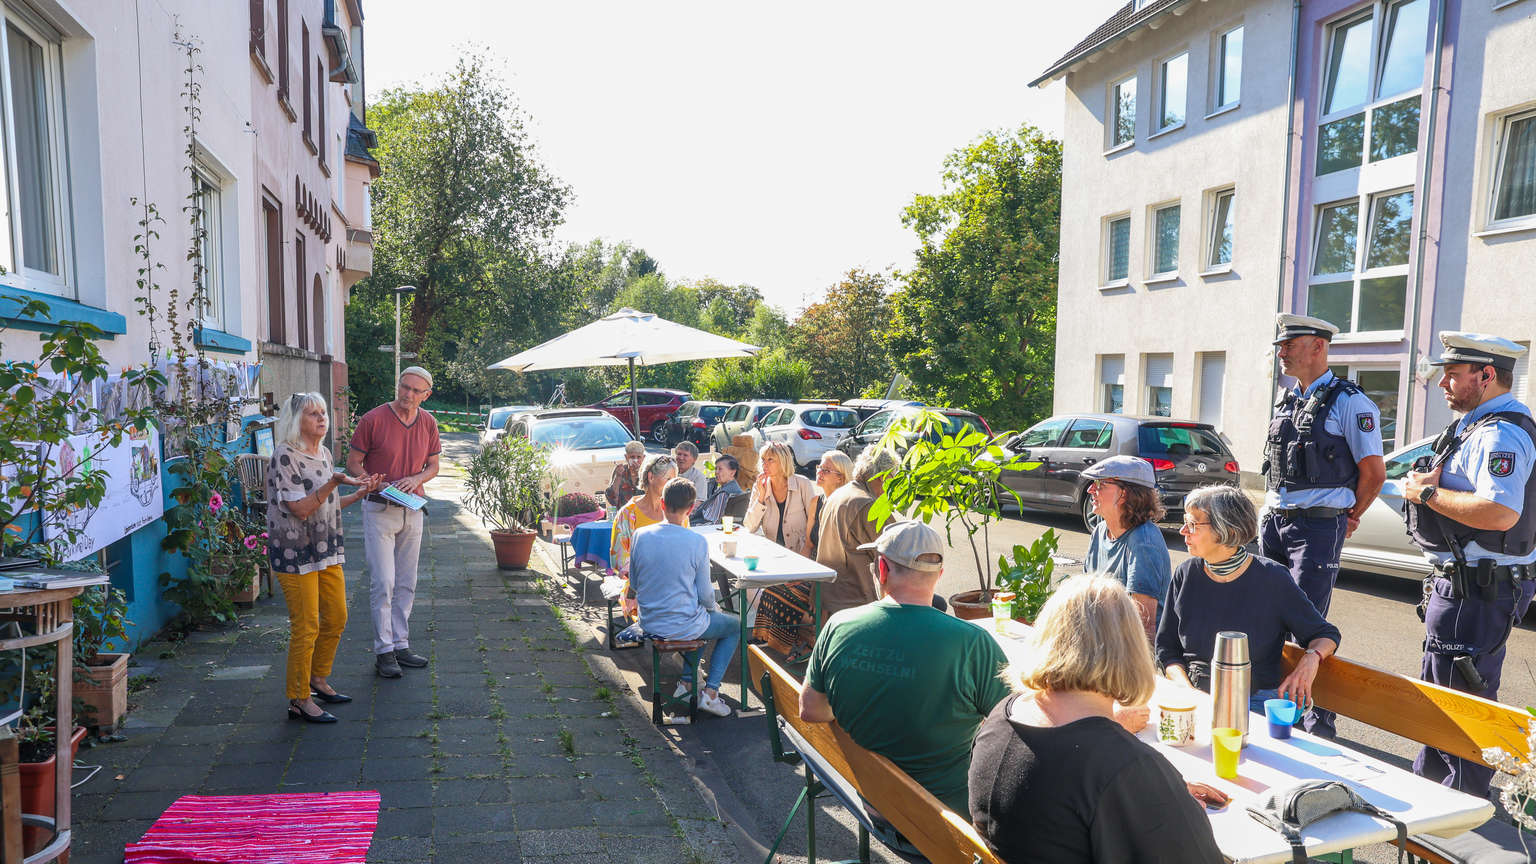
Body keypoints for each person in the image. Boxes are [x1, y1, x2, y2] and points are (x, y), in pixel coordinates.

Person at [969, 575, 1227, 863]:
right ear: (1129, 651)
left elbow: (1066, 786)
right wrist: (1171, 802)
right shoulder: (1120, 766)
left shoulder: (1002, 717)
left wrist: (1159, 792)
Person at [799, 521, 1009, 823]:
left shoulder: (838, 626)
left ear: (881, 570)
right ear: (939, 576)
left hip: (872, 800)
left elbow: (812, 710)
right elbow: (1014, 730)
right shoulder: (972, 642)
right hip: (948, 820)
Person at [1401, 332, 1536, 796]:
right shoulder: (1476, 426)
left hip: (1476, 589)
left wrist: (1428, 494)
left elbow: (1500, 512)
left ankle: (1464, 809)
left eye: (1454, 374)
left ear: (1487, 376)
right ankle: (1434, 794)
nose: (1443, 383)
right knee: (1443, 694)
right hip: (1463, 586)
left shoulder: (1502, 433)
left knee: (1464, 701)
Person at [1262, 313, 1385, 736]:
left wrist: (1351, 517)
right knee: (1269, 617)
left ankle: (1319, 721)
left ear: (1317, 346)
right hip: (1276, 522)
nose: (1282, 352)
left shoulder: (1350, 402)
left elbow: (1373, 472)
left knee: (1309, 627)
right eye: (1281, 345)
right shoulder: (1286, 399)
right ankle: (1275, 704)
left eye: (1289, 345)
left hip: (1316, 527)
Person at [1157, 485, 1341, 714]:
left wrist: (1311, 659)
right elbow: (1167, 649)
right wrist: (1188, 693)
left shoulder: (1272, 578)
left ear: (1228, 532)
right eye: (1185, 521)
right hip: (1193, 695)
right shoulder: (1186, 573)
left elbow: (1325, 634)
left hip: (1253, 703)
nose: (1183, 530)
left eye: (1193, 524)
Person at [268, 393, 381, 722]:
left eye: (323, 413)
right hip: (295, 552)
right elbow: (301, 509)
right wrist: (333, 482)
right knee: (306, 626)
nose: (322, 419)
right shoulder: (285, 456)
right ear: (296, 421)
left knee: (336, 617)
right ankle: (298, 697)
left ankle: (317, 679)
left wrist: (357, 494)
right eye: (313, 414)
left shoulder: (326, 454)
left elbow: (325, 504)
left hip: (326, 548)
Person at [347, 366, 441, 680]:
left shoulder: (428, 422)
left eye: (416, 391)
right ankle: (383, 650)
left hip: (413, 509)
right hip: (378, 507)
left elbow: (433, 465)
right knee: (383, 582)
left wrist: (416, 478)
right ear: (397, 385)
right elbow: (353, 461)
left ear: (426, 395)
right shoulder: (372, 420)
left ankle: (401, 643)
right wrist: (366, 480)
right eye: (405, 387)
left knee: (407, 581)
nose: (408, 395)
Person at [629, 478, 740, 718]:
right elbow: (706, 594)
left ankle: (688, 684)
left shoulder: (640, 535)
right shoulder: (696, 541)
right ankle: (710, 693)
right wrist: (713, 610)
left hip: (649, 621)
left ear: (662, 503)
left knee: (698, 618)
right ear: (691, 509)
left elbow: (635, 584)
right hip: (683, 623)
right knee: (733, 627)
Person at [1081, 455, 1171, 641]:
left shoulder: (1144, 540)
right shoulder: (1100, 531)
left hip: (1126, 652)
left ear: (1124, 494)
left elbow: (1144, 625)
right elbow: (1085, 597)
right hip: (1102, 640)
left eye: (1100, 484)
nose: (1090, 489)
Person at [815, 447, 897, 623]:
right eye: (892, 478)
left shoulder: (837, 495)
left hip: (829, 597)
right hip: (858, 601)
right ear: (883, 477)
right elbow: (897, 552)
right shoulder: (867, 504)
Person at [613, 454, 679, 623]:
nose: (673, 484)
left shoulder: (677, 511)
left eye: (675, 479)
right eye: (668, 479)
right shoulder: (628, 514)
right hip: (641, 587)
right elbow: (620, 561)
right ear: (650, 477)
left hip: (676, 585)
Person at [745, 441, 819, 558]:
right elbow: (750, 526)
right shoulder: (759, 486)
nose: (765, 464)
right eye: (763, 460)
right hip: (772, 555)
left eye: (770, 460)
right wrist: (761, 498)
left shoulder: (802, 484)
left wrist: (807, 549)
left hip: (801, 555)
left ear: (783, 461)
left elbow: (815, 521)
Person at [807, 450, 854, 556]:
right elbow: (808, 545)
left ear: (840, 478)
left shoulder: (848, 506)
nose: (819, 472)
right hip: (816, 566)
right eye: (819, 467)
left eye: (826, 470)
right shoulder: (815, 502)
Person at [693, 455, 743, 524]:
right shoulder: (732, 487)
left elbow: (714, 521)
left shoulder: (724, 493)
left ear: (732, 473)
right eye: (716, 469)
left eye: (720, 469)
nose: (716, 472)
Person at [605, 440, 646, 507]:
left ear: (643, 457)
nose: (635, 460)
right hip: (623, 513)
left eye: (638, 457)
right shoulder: (620, 470)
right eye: (632, 457)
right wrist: (618, 477)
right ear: (626, 457)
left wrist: (639, 474)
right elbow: (612, 498)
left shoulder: (647, 472)